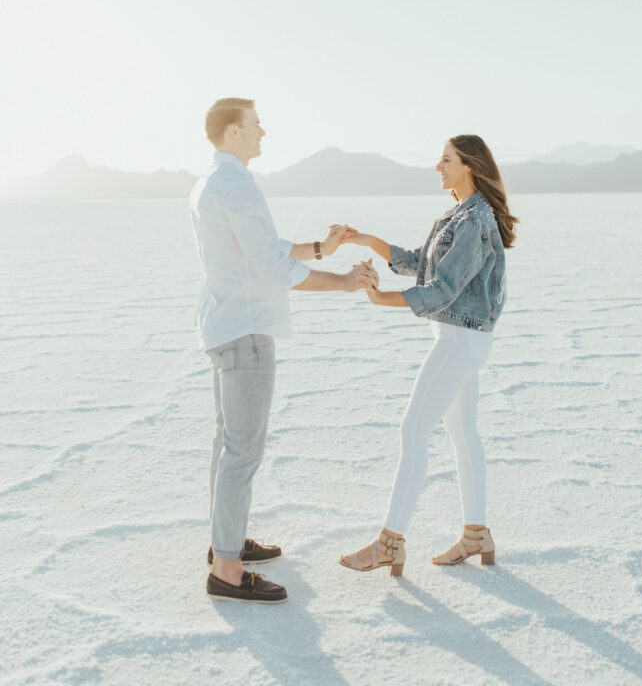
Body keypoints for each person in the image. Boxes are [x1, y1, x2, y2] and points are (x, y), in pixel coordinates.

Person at [190, 98, 369, 603]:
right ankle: (226, 570)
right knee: (242, 451)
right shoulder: (237, 183)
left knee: (227, 444)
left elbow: (260, 245)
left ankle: (223, 544)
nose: (263, 132)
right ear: (231, 133)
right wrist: (343, 281)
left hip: (222, 325)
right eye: (255, 125)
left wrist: (319, 248)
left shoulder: (211, 181)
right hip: (245, 332)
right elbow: (270, 266)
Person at [338, 134, 518, 577]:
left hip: (459, 340)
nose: (437, 167)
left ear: (469, 166)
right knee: (463, 433)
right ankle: (477, 535)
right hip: (462, 338)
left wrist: (382, 301)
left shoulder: (475, 219)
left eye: (445, 160)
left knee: (413, 432)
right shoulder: (459, 213)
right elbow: (421, 262)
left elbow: (442, 289)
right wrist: (365, 239)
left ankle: (389, 543)